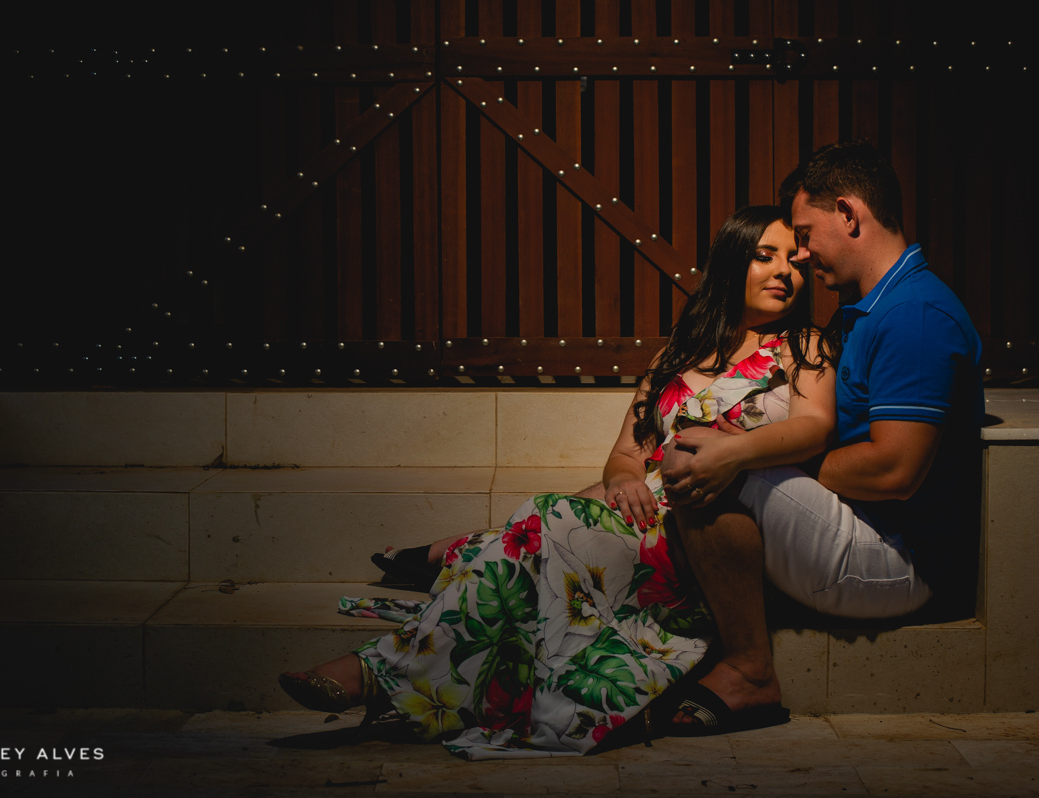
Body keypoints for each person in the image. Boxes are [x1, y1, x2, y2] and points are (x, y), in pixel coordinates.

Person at [279, 205, 838, 758]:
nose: (784, 272)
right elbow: (627, 453)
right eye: (765, 256)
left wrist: (736, 451)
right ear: (731, 263)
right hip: (640, 515)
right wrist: (623, 482)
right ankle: (386, 669)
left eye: (794, 261)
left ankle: (379, 668)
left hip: (713, 528)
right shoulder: (680, 351)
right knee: (540, 519)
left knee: (542, 522)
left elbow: (815, 426)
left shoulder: (804, 346)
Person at [657, 142, 983, 735]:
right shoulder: (867, 308)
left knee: (707, 461)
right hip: (856, 527)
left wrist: (753, 453)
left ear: (849, 214)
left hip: (903, 562)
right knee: (712, 452)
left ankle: (751, 673)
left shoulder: (914, 316)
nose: (802, 256)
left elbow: (895, 470)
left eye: (805, 235)